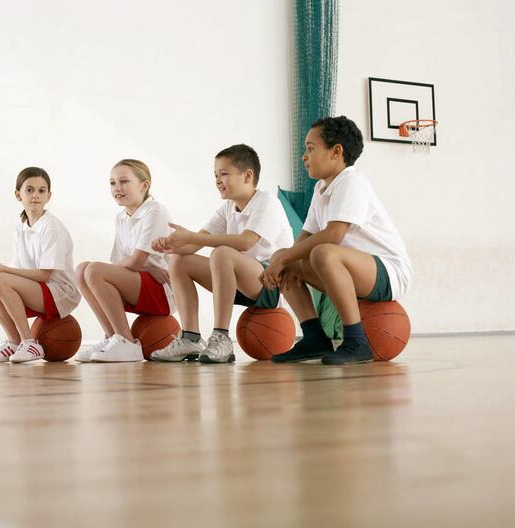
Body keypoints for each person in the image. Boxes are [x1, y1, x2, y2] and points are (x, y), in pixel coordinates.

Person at [264, 116, 413, 365]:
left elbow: (334, 235)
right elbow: (305, 238)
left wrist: (281, 257)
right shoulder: (321, 188)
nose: (304, 156)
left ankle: (357, 340)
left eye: (310, 149)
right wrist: (280, 260)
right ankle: (314, 337)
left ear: (336, 152)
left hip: (389, 272)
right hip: (353, 270)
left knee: (323, 252)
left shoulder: (351, 181)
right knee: (291, 262)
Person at [150, 144, 293, 364]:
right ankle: (190, 337)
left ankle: (221, 337)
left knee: (222, 253)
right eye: (215, 175)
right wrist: (170, 246)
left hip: (270, 284)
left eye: (224, 174)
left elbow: (245, 242)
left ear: (247, 176)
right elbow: (193, 246)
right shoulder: (228, 208)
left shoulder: (266, 202)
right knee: (180, 261)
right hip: (239, 283)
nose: (217, 180)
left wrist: (193, 238)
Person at [75, 159, 175, 363]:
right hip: (142, 283)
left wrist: (140, 266)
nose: (117, 188)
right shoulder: (121, 217)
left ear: (144, 185)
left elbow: (135, 261)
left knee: (93, 270)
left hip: (163, 291)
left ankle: (126, 342)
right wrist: (142, 268)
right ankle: (113, 337)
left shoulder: (154, 211)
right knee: (82, 269)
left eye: (123, 181)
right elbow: (124, 263)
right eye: (112, 183)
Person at [0, 167, 81, 363]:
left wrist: (3, 270)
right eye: (29, 190)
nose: (36, 195)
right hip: (40, 289)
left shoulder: (52, 227)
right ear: (18, 195)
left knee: (0, 279)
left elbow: (45, 275)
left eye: (42, 191)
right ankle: (14, 342)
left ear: (49, 195)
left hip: (60, 292)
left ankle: (30, 343)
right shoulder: (21, 227)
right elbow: (19, 273)